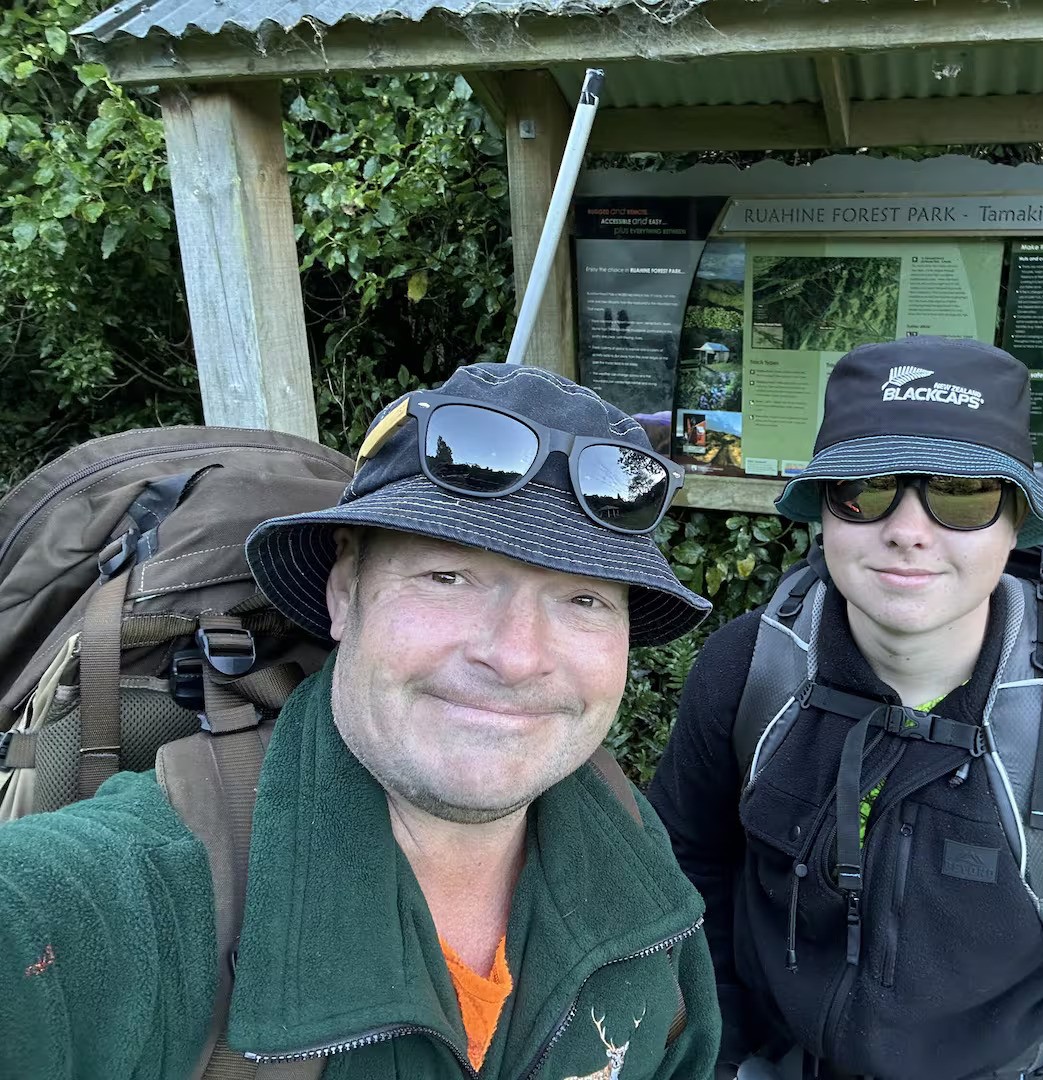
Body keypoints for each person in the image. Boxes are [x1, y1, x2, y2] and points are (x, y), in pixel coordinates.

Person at [0, 363, 721, 1079]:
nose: (515, 655)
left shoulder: (626, 835)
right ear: (345, 591)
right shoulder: (116, 903)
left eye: (583, 600)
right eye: (448, 576)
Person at [649, 337, 1043, 1080]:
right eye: (869, 487)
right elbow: (688, 880)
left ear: (1016, 521)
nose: (908, 531)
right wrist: (718, 1058)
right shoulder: (748, 675)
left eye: (962, 493)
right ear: (824, 512)